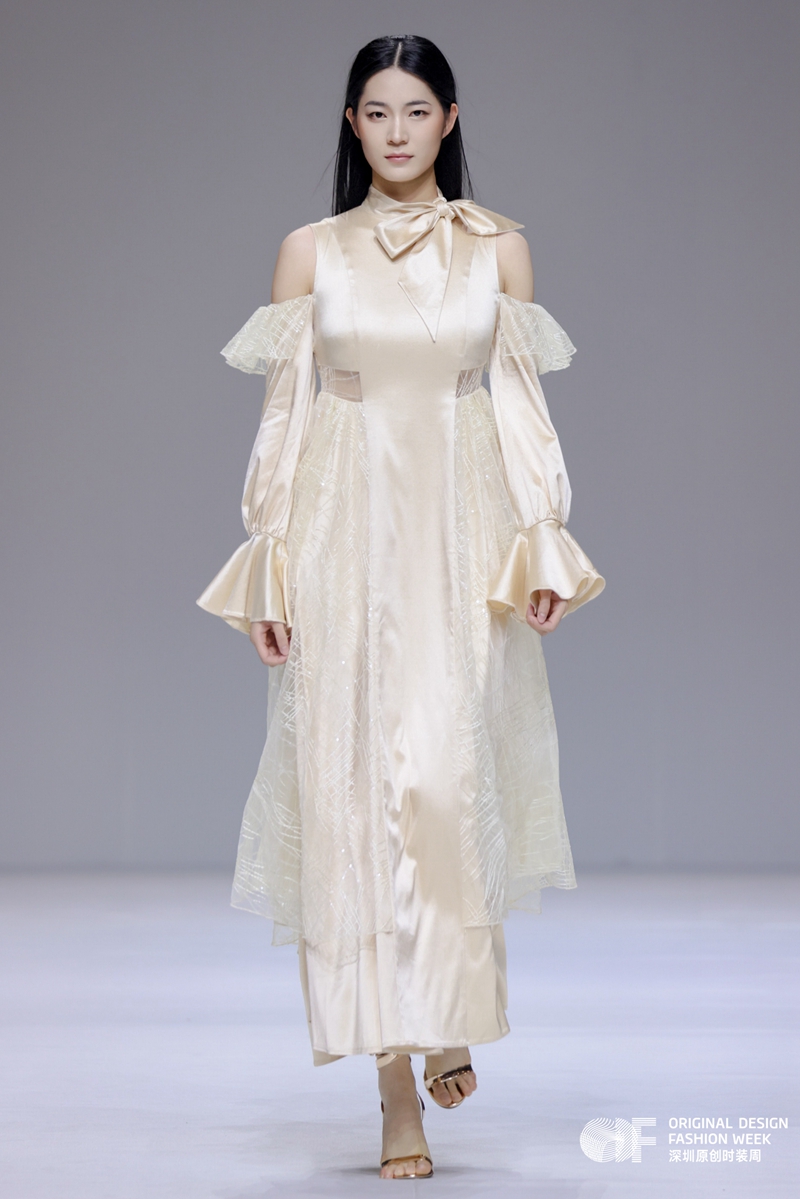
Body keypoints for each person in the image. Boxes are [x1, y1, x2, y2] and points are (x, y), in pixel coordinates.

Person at [197, 34, 604, 1180]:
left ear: (448, 120)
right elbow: (284, 420)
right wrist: (269, 560)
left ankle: (448, 1008)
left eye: (414, 110)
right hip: (342, 542)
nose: (393, 131)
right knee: (353, 800)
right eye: (373, 111)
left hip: (460, 540)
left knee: (443, 783)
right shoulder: (310, 251)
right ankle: (393, 1089)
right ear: (350, 124)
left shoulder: (498, 248)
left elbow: (518, 408)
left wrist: (541, 539)